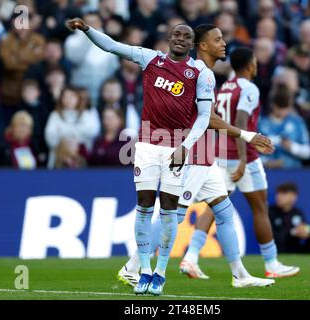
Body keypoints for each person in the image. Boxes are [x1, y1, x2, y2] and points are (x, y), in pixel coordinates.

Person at [117, 25, 275, 292]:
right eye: (217, 40)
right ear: (202, 45)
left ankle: (239, 274)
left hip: (206, 156)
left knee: (223, 211)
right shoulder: (196, 72)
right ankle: (132, 268)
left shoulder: (207, 74)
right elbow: (210, 119)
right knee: (174, 216)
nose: (223, 43)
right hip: (192, 156)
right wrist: (247, 136)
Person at [66, 18, 216, 296]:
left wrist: (186, 145)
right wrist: (87, 29)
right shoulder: (150, 59)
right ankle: (144, 270)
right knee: (145, 205)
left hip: (176, 147)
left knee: (169, 209)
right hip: (147, 145)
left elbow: (205, 116)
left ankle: (160, 272)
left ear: (193, 44)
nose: (180, 39)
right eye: (176, 34)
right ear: (169, 39)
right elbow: (112, 46)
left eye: (186, 36)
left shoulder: (201, 74)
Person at [181, 47, 299, 280]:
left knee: (214, 207)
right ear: (250, 65)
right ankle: (272, 263)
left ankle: (191, 257)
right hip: (242, 156)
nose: (256, 65)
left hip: (220, 153)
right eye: (254, 61)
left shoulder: (225, 87)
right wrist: (244, 159)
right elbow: (241, 120)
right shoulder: (249, 88)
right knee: (260, 208)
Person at [44, 86, 100, 168]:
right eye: (65, 97)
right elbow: (50, 139)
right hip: (58, 161)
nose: (68, 100)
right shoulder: (54, 115)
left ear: (78, 98)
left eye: (71, 96)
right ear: (61, 99)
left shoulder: (87, 114)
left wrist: (63, 132)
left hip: (83, 160)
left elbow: (93, 132)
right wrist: (77, 132)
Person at [259, 84, 310, 168]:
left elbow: (308, 152)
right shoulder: (261, 123)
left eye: (285, 108)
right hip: (268, 173)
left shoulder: (297, 122)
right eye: (278, 107)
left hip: (294, 173)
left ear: (290, 105)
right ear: (272, 104)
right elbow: (251, 153)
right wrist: (267, 162)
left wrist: (292, 147)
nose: (281, 112)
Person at [269, 183, 310, 254]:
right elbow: (272, 235)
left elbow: (306, 226)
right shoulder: (270, 212)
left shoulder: (297, 212)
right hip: (280, 249)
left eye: (284, 193)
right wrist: (293, 232)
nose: (278, 196)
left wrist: (306, 230)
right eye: (278, 193)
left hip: (296, 248)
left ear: (294, 196)